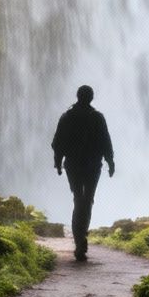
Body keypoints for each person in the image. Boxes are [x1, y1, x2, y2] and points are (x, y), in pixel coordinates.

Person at [51, 85, 116, 262]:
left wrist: (58, 162)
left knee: (78, 199)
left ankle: (79, 240)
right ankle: (81, 238)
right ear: (91, 98)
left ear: (78, 96)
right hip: (92, 166)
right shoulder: (97, 117)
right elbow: (106, 141)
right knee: (87, 200)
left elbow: (58, 142)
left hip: (73, 165)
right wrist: (110, 162)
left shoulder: (67, 117)